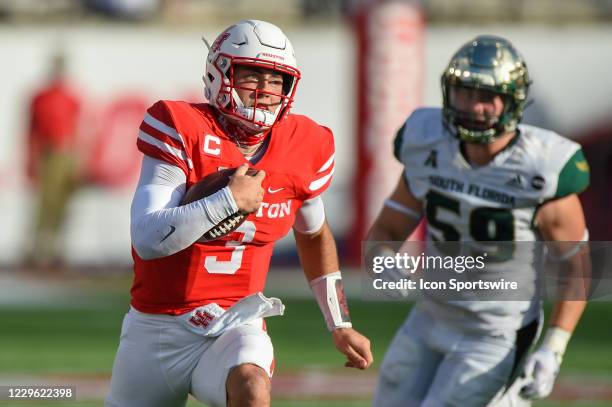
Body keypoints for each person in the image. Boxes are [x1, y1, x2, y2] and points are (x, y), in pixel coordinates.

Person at [105, 19, 373, 407]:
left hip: (236, 322)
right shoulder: (182, 126)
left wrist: (340, 324)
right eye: (251, 76)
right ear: (220, 73)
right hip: (157, 326)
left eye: (276, 80)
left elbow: (314, 234)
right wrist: (228, 201)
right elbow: (147, 240)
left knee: (252, 386)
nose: (265, 91)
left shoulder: (305, 144)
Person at [368, 35, 590, 406]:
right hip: (428, 318)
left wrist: (555, 345)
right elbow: (388, 229)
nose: (473, 107)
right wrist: (383, 258)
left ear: (513, 100)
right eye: (464, 93)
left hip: (495, 335)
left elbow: (578, 266)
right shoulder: (427, 142)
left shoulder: (542, 168)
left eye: (486, 96)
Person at [25, 50, 82, 268]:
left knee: (62, 205)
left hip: (65, 153)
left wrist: (79, 159)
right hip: (47, 154)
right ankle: (37, 249)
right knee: (44, 204)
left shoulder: (70, 97)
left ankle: (56, 248)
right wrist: (32, 158)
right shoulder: (40, 97)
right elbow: (32, 129)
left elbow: (79, 129)